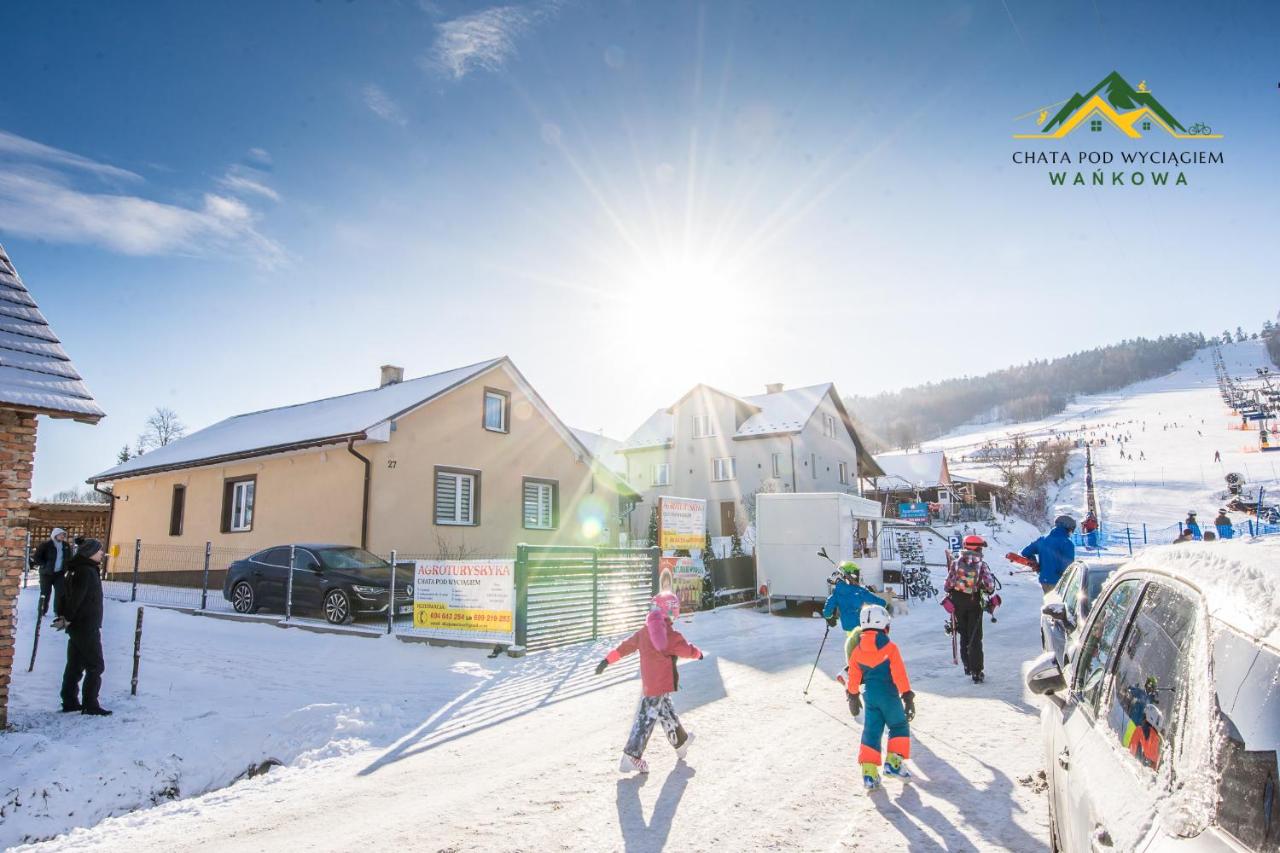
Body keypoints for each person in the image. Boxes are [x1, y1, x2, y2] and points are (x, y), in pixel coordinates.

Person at [596, 576, 703, 774]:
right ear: (671, 611)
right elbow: (686, 649)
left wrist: (607, 660)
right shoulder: (670, 634)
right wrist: (698, 654)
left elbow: (625, 647)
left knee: (666, 711)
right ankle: (631, 756)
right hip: (659, 684)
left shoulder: (644, 632)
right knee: (646, 718)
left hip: (652, 684)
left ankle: (680, 742)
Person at [845, 603, 915, 791]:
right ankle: (893, 763)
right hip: (889, 695)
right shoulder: (890, 648)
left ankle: (869, 773)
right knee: (898, 725)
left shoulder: (857, 651)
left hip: (870, 697)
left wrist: (853, 696)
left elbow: (853, 676)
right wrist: (907, 696)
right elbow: (899, 674)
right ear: (884, 625)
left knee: (872, 730)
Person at [54, 538, 111, 716]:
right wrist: (67, 618)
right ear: (90, 552)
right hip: (85, 625)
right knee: (96, 665)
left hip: (80, 625)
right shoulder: (86, 571)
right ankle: (90, 704)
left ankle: (70, 700)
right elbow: (76, 598)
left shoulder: (79, 569)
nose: (102, 553)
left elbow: (68, 596)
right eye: (99, 550)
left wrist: (66, 618)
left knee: (75, 664)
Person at [944, 535, 995, 683]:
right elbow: (990, 586)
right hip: (974, 602)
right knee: (975, 636)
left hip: (958, 602)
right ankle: (977, 671)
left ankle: (967, 666)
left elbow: (948, 585)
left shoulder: (956, 563)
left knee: (964, 634)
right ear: (978, 548)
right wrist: (988, 590)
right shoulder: (982, 565)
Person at [822, 561, 887, 661]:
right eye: (856, 575)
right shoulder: (859, 591)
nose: (858, 578)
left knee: (853, 649)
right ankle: (864, 665)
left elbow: (827, 609)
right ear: (849, 576)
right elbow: (880, 602)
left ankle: (853, 665)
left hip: (848, 628)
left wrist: (829, 617)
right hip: (862, 626)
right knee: (864, 650)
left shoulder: (837, 591)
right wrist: (883, 602)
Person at [1021, 515, 1077, 594]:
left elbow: (1025, 552)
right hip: (1059, 583)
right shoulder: (1067, 543)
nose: (1071, 532)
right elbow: (1068, 566)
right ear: (1067, 528)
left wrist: (1034, 562)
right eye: (1071, 530)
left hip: (1044, 580)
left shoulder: (1042, 539)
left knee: (1049, 600)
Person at [30, 527, 71, 618]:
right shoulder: (46, 545)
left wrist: (67, 567)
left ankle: (58, 611)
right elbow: (36, 557)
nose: (63, 536)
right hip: (46, 574)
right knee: (45, 593)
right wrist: (44, 565)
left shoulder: (66, 546)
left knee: (61, 593)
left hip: (59, 573)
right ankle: (42, 611)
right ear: (55, 535)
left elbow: (69, 558)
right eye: (61, 534)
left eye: (64, 535)